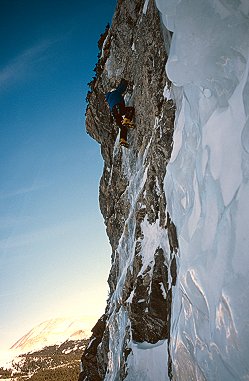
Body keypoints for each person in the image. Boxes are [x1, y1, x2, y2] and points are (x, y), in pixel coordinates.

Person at [105, 79, 135, 147]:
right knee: (130, 109)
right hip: (118, 107)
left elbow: (111, 112)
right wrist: (124, 81)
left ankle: (122, 140)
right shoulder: (115, 92)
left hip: (114, 113)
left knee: (122, 127)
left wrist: (111, 120)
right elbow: (122, 87)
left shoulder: (109, 101)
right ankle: (127, 120)